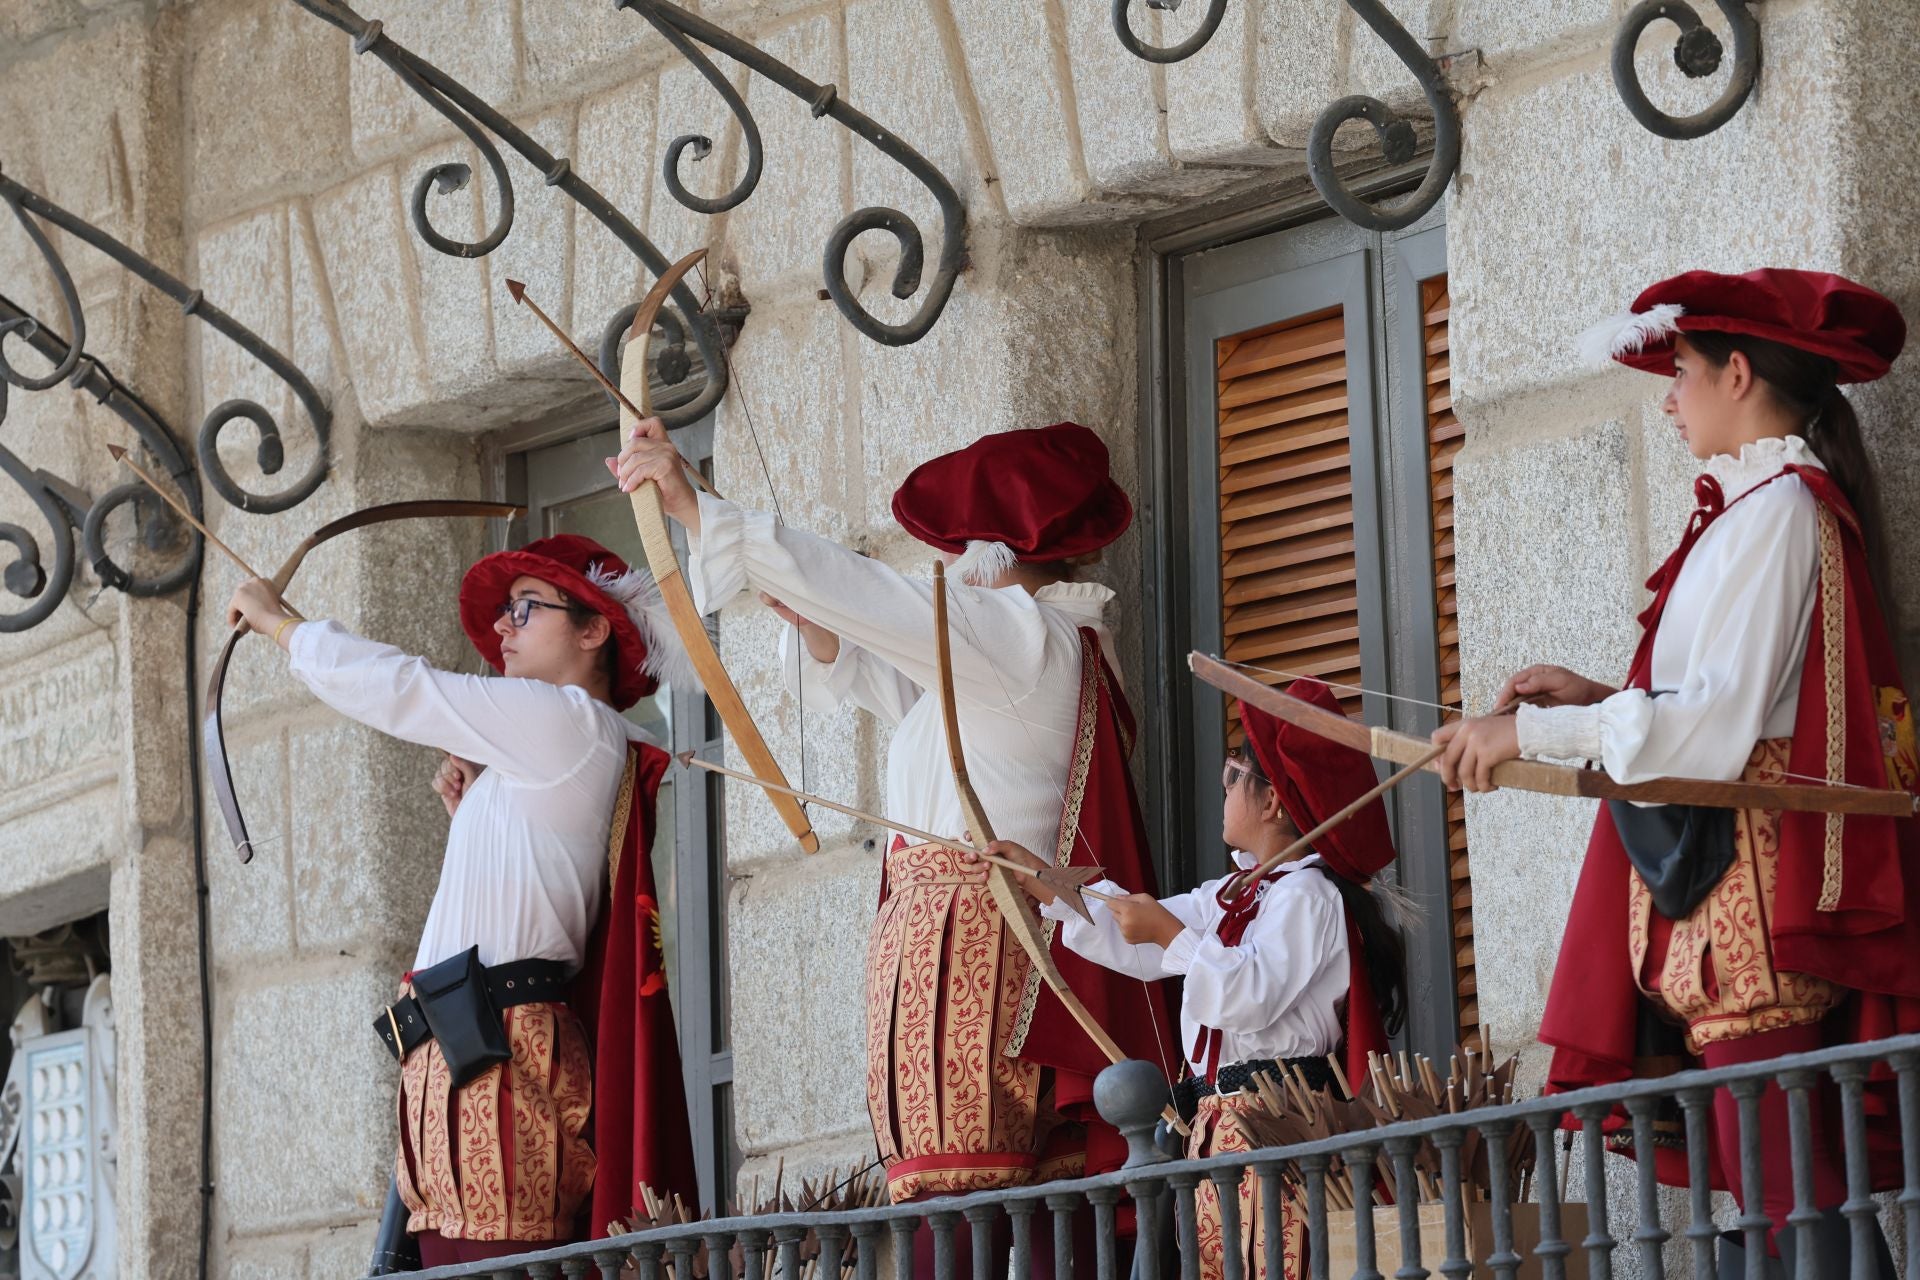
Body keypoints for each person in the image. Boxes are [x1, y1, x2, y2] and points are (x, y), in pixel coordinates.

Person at [1432, 269, 1920, 1271]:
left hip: (1749, 922)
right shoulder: (1761, 507)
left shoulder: (1778, 508)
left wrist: (1533, 734)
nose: (1667, 397)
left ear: (1738, 373)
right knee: (1780, 1192)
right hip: (1724, 913)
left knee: (1791, 1198)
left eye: (1683, 372)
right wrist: (1593, 695)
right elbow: (1728, 710)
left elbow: (1708, 734)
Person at [612, 418, 1179, 1270]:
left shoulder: (1025, 638)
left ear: (992, 554)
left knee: (965, 1212)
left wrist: (701, 510)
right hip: (955, 959)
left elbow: (879, 601)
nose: (945, 566)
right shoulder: (1014, 654)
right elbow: (892, 671)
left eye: (956, 548)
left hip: (974, 960)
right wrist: (812, 617)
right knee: (972, 1212)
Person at [226, 533, 697, 1269]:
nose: (503, 628)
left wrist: (282, 627)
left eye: (525, 609)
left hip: (497, 1060)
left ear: (594, 628)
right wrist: (475, 817)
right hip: (465, 1052)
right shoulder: (553, 745)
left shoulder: (566, 720)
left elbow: (406, 690)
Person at [985, 682, 1406, 1280]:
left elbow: (1248, 992)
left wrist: (1168, 935)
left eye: (1235, 776)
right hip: (1223, 1125)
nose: (1225, 786)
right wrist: (1050, 883)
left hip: (1280, 1118)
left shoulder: (1308, 895)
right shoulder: (1233, 896)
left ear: (1274, 805)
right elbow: (1135, 928)